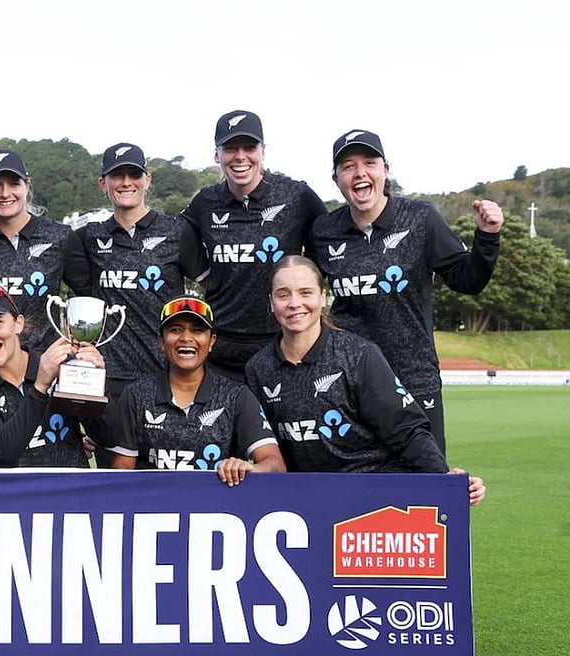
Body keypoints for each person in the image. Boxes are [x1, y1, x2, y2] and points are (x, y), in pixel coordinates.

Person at [308, 129, 503, 451]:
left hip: (414, 378)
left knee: (424, 484)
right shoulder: (323, 230)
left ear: (386, 169)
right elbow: (307, 293)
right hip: (348, 381)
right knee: (353, 488)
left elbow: (467, 280)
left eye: (370, 162)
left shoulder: (421, 218)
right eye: (348, 166)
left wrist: (487, 236)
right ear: (336, 178)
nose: (360, 173)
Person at [245, 256, 486, 504]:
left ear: (322, 297)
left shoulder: (359, 355)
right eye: (283, 295)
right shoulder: (258, 368)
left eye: (305, 292)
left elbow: (407, 430)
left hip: (373, 497)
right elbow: (264, 446)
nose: (295, 303)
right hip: (309, 503)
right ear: (271, 303)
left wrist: (444, 478)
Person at [62, 143, 204, 465]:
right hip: (107, 380)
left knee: (163, 478)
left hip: (163, 377)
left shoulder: (176, 231)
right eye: (116, 176)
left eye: (133, 174)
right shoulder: (88, 238)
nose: (126, 182)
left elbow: (215, 284)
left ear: (147, 179)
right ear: (103, 184)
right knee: (114, 483)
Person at [181, 110, 328, 381]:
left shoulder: (296, 195)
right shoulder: (206, 201)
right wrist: (204, 275)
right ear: (217, 155)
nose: (240, 157)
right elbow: (174, 236)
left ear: (263, 151)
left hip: (282, 342)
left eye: (249, 147)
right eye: (230, 149)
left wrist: (310, 283)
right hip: (221, 346)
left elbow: (332, 235)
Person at [105, 295, 284, 484]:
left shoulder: (237, 396)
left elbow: (276, 465)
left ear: (212, 341)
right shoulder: (136, 394)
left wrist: (251, 468)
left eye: (197, 330)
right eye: (175, 330)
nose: (186, 338)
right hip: (153, 509)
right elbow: (121, 470)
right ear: (160, 340)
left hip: (216, 510)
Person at [0, 282, 97, 467]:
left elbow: (110, 437)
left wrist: (98, 383)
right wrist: (41, 387)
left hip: (70, 493)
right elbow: (4, 450)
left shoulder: (61, 368)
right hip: (10, 495)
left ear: (18, 323)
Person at [0, 148, 74, 349]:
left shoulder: (60, 236)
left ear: (27, 186)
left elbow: (90, 293)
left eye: (14, 184)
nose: (5, 193)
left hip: (43, 365)